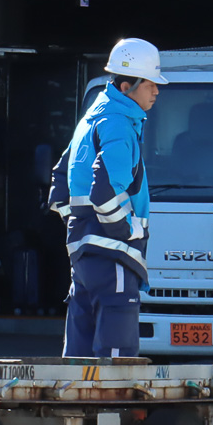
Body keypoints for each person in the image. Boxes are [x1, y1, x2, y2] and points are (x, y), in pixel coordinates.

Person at [48, 38, 165, 359]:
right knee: (116, 358)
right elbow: (106, 191)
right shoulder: (118, 124)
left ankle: (75, 408)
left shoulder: (90, 119)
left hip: (84, 254)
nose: (156, 92)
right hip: (112, 254)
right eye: (151, 84)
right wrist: (126, 232)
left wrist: (79, 225)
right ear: (128, 86)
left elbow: (60, 183)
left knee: (79, 353)